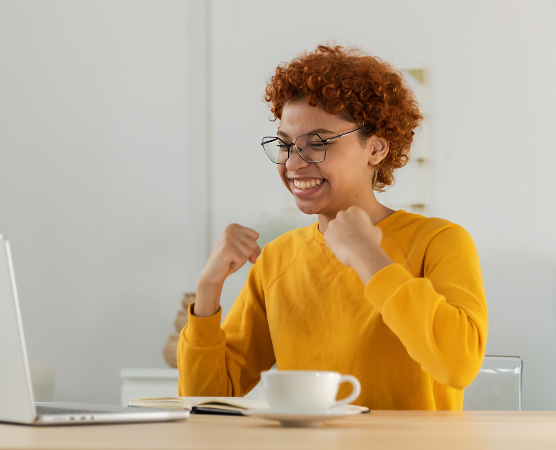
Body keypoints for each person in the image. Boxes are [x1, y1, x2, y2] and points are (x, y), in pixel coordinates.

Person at [177, 44, 488, 410]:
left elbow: (458, 366)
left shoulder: (440, 241)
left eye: (318, 143)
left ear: (375, 149)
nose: (293, 163)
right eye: (285, 145)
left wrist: (369, 256)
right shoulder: (278, 259)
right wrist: (209, 288)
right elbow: (209, 399)